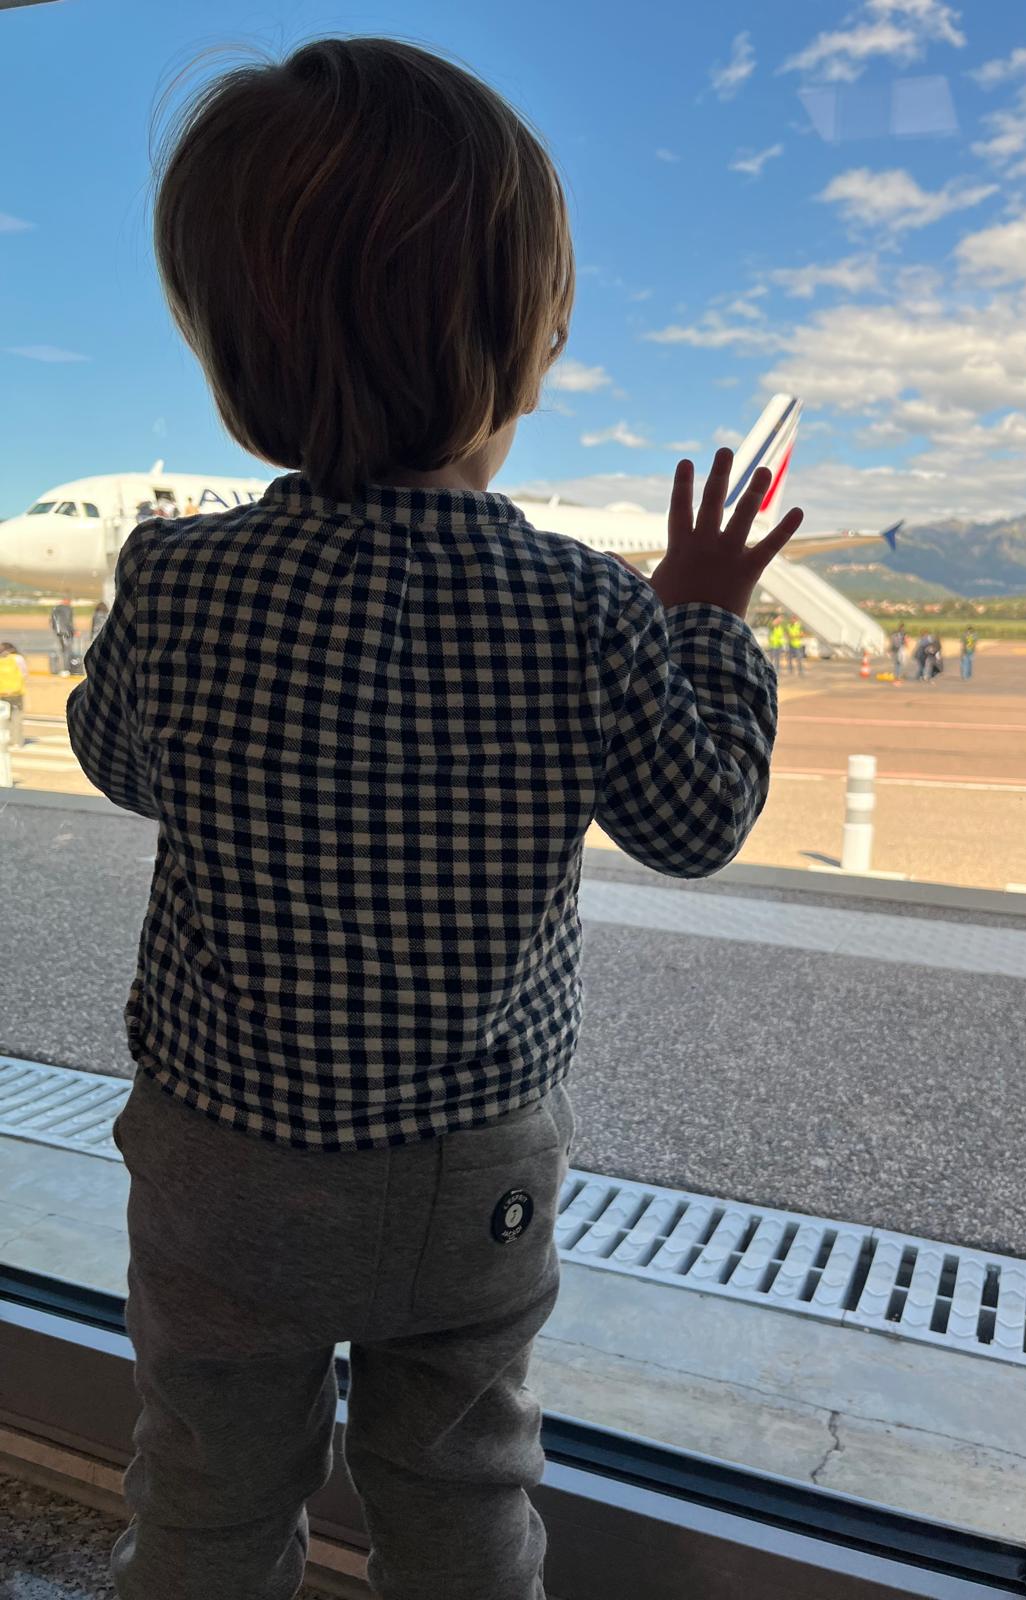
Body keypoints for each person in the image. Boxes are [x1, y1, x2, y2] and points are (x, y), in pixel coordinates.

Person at [64, 38, 805, 1600]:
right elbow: (697, 819)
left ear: (227, 351)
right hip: (468, 1172)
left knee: (205, 1493)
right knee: (464, 1490)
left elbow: (119, 761)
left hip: (227, 1163)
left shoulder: (178, 578)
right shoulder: (586, 608)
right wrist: (702, 630)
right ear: (527, 351)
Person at [0, 641, 26, 749]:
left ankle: (5, 739)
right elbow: (24, 673)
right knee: (17, 716)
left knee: (4, 718)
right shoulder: (18, 658)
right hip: (16, 692)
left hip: (2, 693)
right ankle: (17, 741)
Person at [49, 597, 75, 675]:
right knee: (67, 651)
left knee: (59, 651)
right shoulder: (68, 609)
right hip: (66, 633)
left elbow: (52, 621)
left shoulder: (55, 609)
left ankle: (57, 669)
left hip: (58, 632)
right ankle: (66, 669)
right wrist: (73, 631)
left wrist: (55, 630)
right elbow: (69, 622)